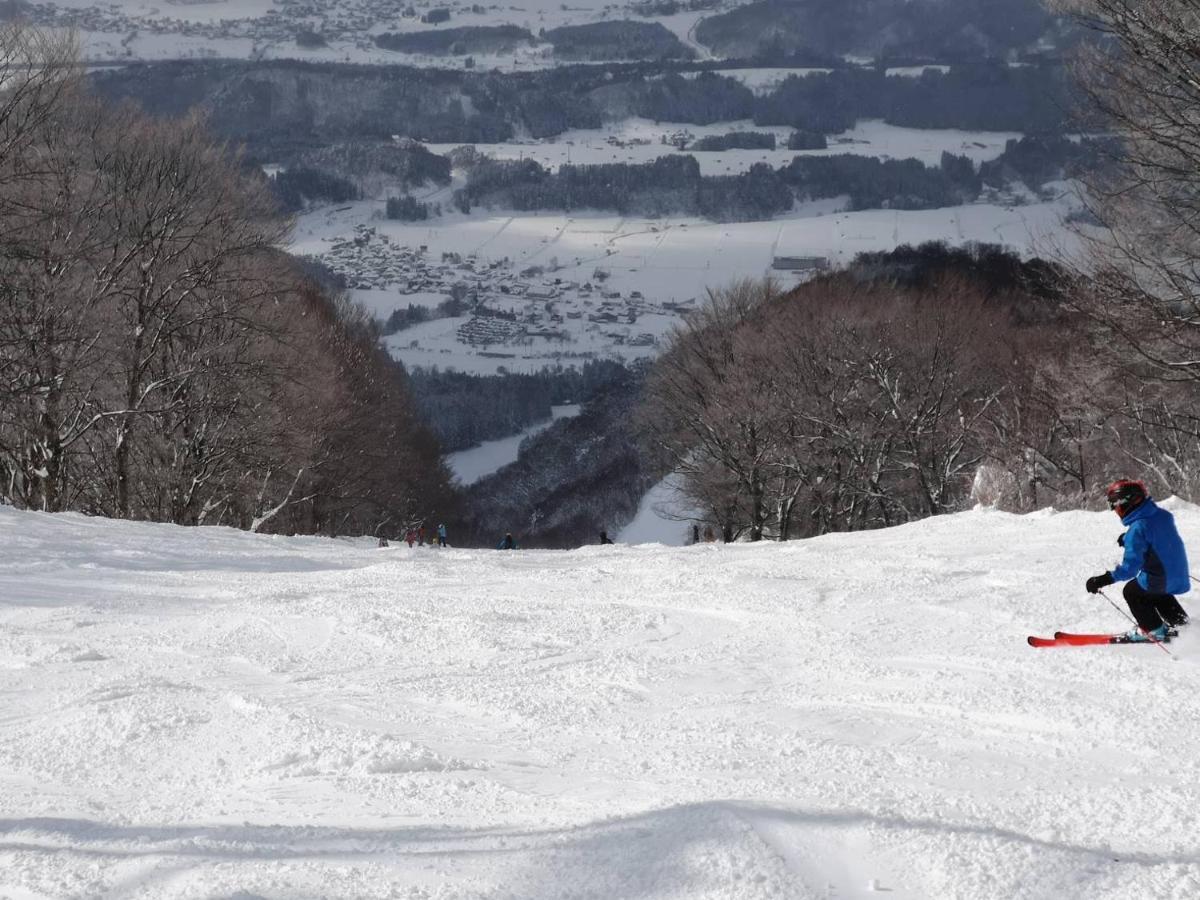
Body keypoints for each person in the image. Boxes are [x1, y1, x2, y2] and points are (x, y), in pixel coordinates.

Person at [1085, 479, 1190, 642]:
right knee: (1152, 588)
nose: (1116, 511)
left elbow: (1129, 569)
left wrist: (1103, 579)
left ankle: (1154, 630)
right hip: (1178, 575)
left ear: (1126, 503)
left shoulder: (1137, 530)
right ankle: (1181, 624)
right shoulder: (1162, 515)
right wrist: (1127, 538)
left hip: (1161, 579)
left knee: (1132, 591)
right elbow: (1153, 532)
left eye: (1116, 506)